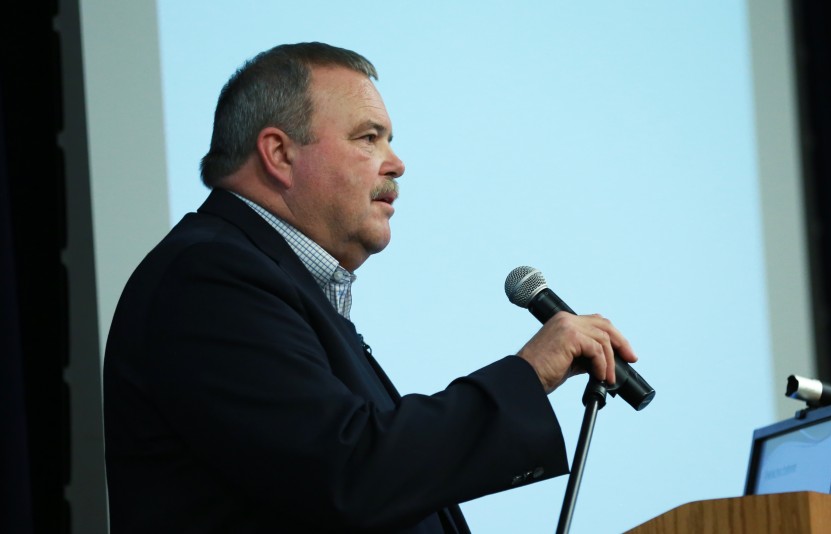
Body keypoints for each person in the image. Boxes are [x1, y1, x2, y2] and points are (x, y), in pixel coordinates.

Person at [103, 42, 637, 533]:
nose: (397, 163)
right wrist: (527, 376)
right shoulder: (211, 278)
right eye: (368, 137)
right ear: (280, 154)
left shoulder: (270, 278)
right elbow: (347, 472)